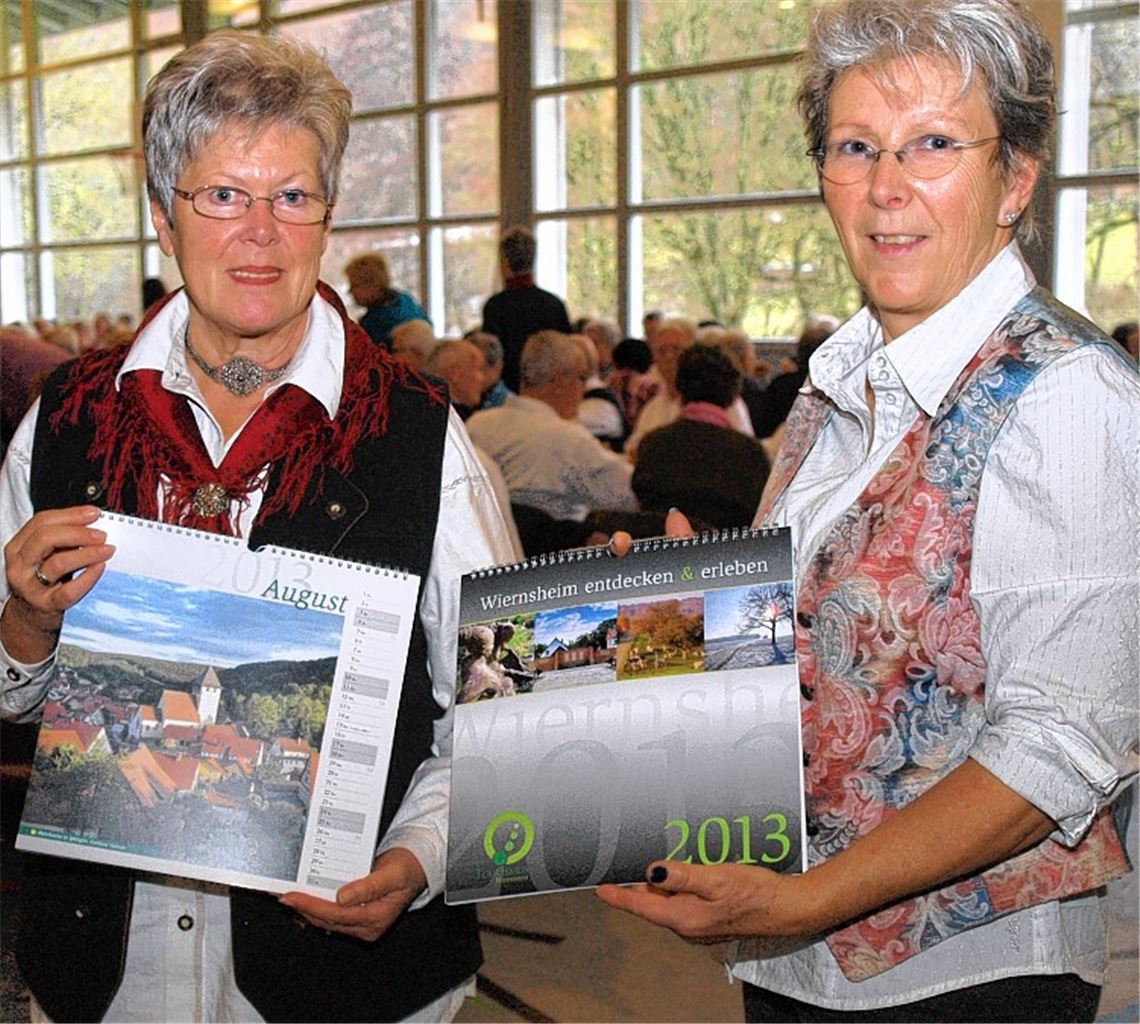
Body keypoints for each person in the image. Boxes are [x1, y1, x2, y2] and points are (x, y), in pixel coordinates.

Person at [598, 2, 1137, 1021]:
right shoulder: (836, 382)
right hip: (797, 956)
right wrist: (669, 616)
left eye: (933, 143)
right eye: (856, 147)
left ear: (1015, 178)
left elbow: (1059, 746)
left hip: (963, 979)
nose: (888, 188)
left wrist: (804, 897)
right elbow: (822, 639)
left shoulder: (1066, 395)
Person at [0, 30, 515, 1024]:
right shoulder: (66, 418)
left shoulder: (422, 437)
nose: (262, 232)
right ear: (162, 215)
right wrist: (24, 627)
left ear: (327, 215)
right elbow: (15, 699)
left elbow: (505, 700)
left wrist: (418, 856)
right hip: (108, 974)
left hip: (350, 978)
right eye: (224, 195)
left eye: (292, 196)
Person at [465, 330, 637, 525]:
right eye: (581, 377)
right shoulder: (568, 439)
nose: (584, 389)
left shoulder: (477, 425)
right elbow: (631, 493)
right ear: (560, 380)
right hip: (557, 549)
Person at [632, 344, 769, 529]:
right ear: (733, 393)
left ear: (679, 387)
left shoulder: (651, 445)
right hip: (729, 555)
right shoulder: (748, 453)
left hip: (663, 553)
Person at [480, 226, 572, 394]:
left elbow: (491, 358)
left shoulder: (496, 307)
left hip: (506, 396)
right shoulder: (554, 305)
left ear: (504, 261)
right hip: (550, 392)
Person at [344, 251, 430, 350]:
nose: (350, 291)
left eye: (355, 285)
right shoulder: (408, 302)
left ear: (372, 284)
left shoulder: (374, 324)